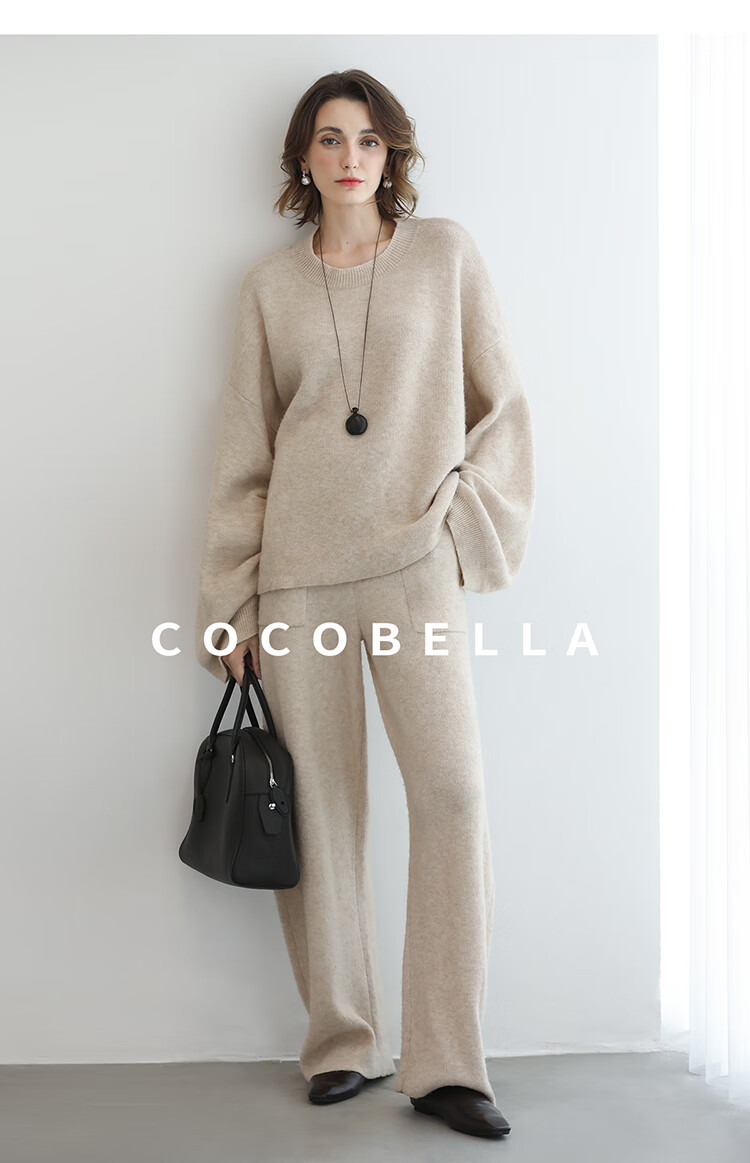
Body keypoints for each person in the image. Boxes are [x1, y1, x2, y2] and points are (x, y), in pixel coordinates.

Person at [195, 68, 535, 1140]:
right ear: (304, 157)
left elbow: (504, 408)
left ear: (394, 155)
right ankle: (342, 1041)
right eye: (332, 139)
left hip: (413, 565)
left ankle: (446, 1062)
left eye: (371, 140)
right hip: (298, 575)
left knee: (454, 796)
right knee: (326, 812)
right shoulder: (268, 287)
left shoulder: (444, 256)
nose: (352, 158)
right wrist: (231, 603)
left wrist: (462, 520)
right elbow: (245, 455)